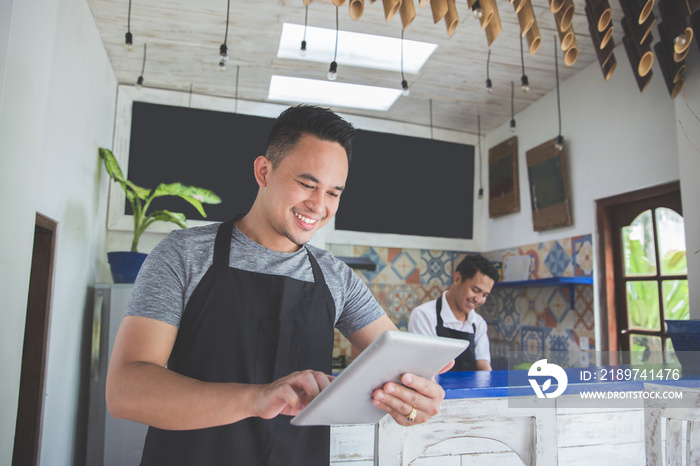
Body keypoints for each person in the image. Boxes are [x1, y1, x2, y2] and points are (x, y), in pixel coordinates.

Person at [105, 104, 450, 466]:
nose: (319, 206)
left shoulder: (338, 278)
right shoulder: (184, 254)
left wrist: (412, 399)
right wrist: (256, 398)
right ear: (263, 171)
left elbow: (398, 368)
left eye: (334, 193)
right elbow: (126, 390)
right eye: (306, 184)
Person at [408, 254, 499, 371]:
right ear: (457, 278)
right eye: (475, 290)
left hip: (470, 389)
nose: (478, 299)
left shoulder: (478, 323)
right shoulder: (424, 315)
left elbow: (483, 366)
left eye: (485, 295)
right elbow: (425, 368)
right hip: (434, 387)